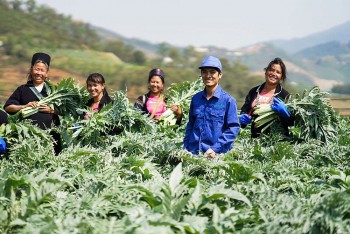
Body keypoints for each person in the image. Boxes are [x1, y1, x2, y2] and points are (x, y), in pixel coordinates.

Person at [4, 52, 61, 155]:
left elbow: (65, 111)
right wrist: (24, 106)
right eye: (36, 69)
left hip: (50, 138)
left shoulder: (55, 91)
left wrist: (51, 110)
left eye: (42, 70)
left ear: (46, 73)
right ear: (31, 70)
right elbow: (8, 107)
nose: (38, 73)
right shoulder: (22, 89)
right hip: (27, 139)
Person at [184, 55, 240, 158]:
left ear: (220, 75)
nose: (208, 75)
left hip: (216, 157)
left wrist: (215, 149)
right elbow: (191, 125)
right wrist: (185, 147)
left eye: (212, 72)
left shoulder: (228, 101)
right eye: (204, 72)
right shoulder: (196, 99)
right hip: (193, 154)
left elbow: (233, 128)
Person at [239, 57, 293, 138]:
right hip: (256, 139)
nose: (274, 74)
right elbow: (245, 109)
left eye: (278, 72)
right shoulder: (254, 91)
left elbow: (292, 122)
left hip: (278, 140)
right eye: (271, 70)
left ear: (281, 77)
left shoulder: (285, 95)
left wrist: (286, 114)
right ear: (266, 72)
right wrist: (243, 117)